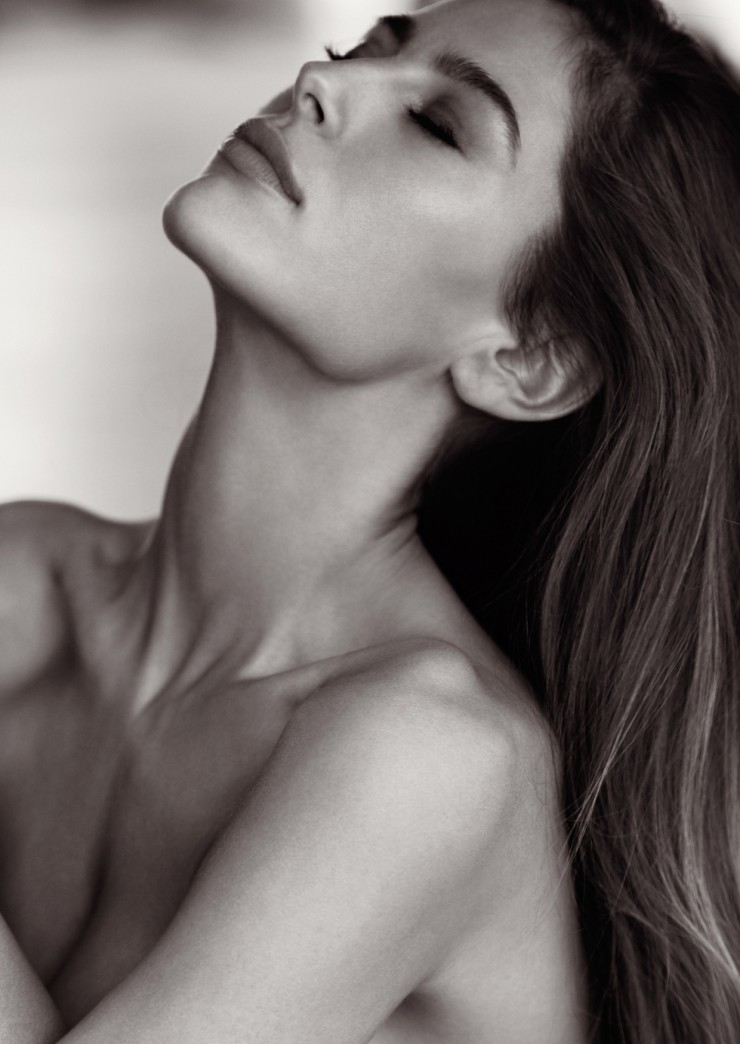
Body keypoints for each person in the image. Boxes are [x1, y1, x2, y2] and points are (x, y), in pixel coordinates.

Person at [0, 0, 738, 1040]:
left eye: (436, 125)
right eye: (363, 49)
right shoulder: (24, 581)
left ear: (527, 359)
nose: (322, 81)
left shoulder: (434, 755)